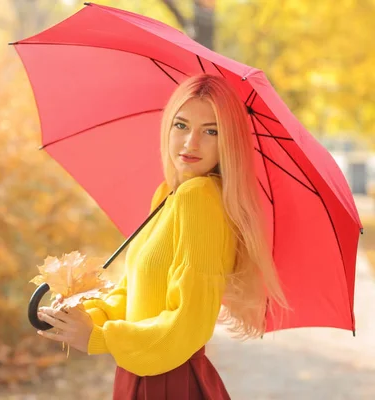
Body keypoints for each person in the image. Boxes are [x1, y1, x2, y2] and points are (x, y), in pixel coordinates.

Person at [36, 74, 288, 399]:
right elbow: (133, 294)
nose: (190, 143)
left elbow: (188, 322)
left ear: (229, 142)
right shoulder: (167, 196)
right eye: (181, 125)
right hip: (140, 372)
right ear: (167, 126)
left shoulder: (199, 198)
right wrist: (87, 317)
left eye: (211, 131)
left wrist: (102, 338)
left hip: (167, 380)